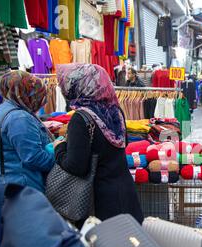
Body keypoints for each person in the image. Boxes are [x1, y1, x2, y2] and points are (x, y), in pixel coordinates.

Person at [53, 64, 143, 224]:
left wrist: (59, 148)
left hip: (99, 201)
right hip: (125, 192)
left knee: (103, 246)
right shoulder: (115, 111)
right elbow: (123, 143)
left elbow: (76, 166)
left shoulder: (81, 119)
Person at [0, 71, 54, 193]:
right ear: (27, 94)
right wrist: (60, 154)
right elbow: (34, 159)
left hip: (4, 182)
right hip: (20, 188)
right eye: (38, 96)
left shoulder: (2, 109)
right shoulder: (19, 117)